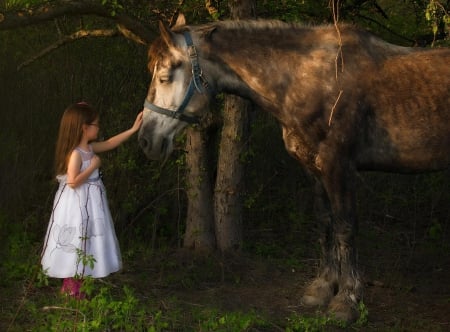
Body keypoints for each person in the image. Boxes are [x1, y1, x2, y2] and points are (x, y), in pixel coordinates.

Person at [41, 102, 143, 298]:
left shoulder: (89, 148)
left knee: (88, 236)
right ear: (84, 128)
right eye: (96, 124)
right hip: (78, 203)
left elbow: (112, 142)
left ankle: (81, 279)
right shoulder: (76, 155)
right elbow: (72, 182)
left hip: (91, 202)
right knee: (77, 237)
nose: (99, 127)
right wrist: (93, 166)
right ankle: (71, 285)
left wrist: (133, 129)